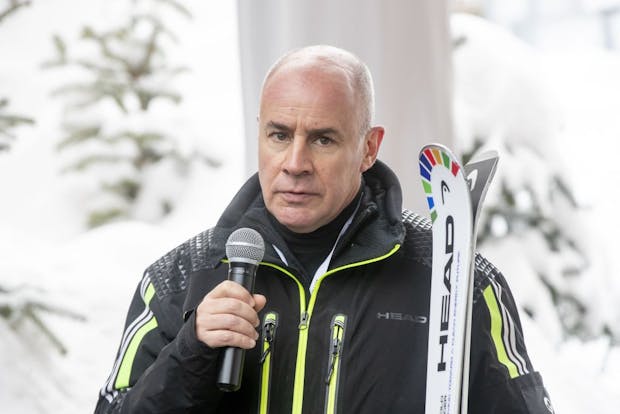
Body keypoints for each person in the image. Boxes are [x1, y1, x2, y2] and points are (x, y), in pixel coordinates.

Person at [95, 45, 554, 413]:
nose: (295, 164)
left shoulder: (454, 279)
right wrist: (192, 352)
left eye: (323, 139)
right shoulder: (179, 279)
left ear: (368, 147)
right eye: (279, 135)